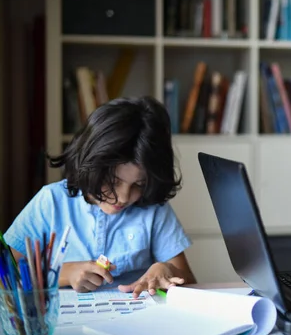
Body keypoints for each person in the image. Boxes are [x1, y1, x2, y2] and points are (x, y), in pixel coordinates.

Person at [4, 96, 196, 298]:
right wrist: (64, 273)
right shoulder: (51, 202)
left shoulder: (153, 209)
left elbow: (190, 281)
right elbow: (6, 273)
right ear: (90, 164)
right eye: (113, 182)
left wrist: (167, 270)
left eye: (139, 184)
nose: (123, 197)